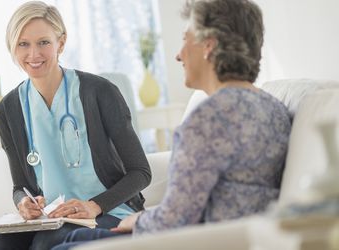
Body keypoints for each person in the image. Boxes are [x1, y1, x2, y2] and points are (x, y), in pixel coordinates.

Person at [51, 0, 292, 249]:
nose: (179, 54)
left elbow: (177, 219)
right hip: (227, 233)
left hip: (195, 240)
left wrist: (139, 220)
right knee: (73, 237)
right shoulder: (273, 108)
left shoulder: (209, 118)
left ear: (208, 46)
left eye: (186, 39)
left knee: (65, 244)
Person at [0, 1, 151, 249]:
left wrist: (94, 205)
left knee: (44, 243)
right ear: (12, 48)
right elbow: (20, 187)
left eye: (43, 42)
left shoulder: (100, 92)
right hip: (52, 217)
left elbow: (141, 172)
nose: (33, 54)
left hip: (107, 211)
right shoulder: (9, 109)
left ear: (60, 43)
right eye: (23, 44)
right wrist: (23, 202)